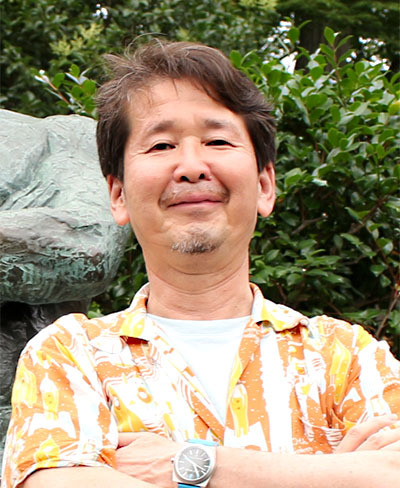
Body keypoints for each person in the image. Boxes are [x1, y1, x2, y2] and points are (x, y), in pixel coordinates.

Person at [2, 40, 399, 488]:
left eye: (217, 141)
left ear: (265, 186)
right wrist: (331, 475)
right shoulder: (69, 354)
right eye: (161, 145)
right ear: (117, 195)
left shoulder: (346, 356)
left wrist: (192, 464)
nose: (191, 167)